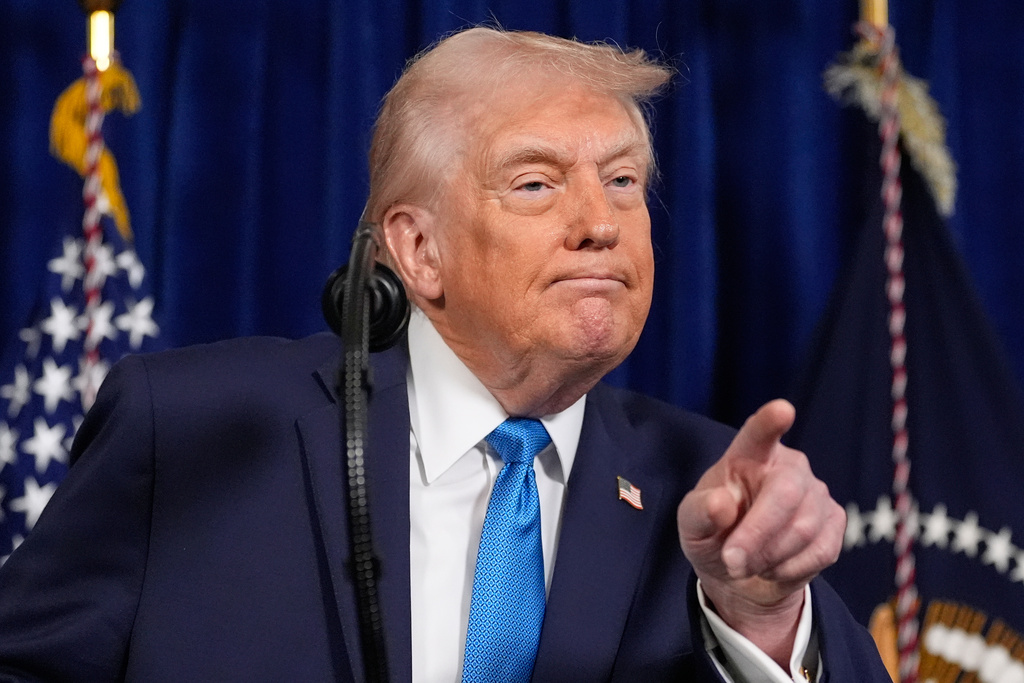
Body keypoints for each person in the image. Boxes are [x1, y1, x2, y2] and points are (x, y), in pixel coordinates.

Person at [0, 27, 890, 682]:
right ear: (418, 250)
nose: (599, 223)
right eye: (537, 183)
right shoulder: (193, 428)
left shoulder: (715, 497)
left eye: (622, 180)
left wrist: (765, 616)